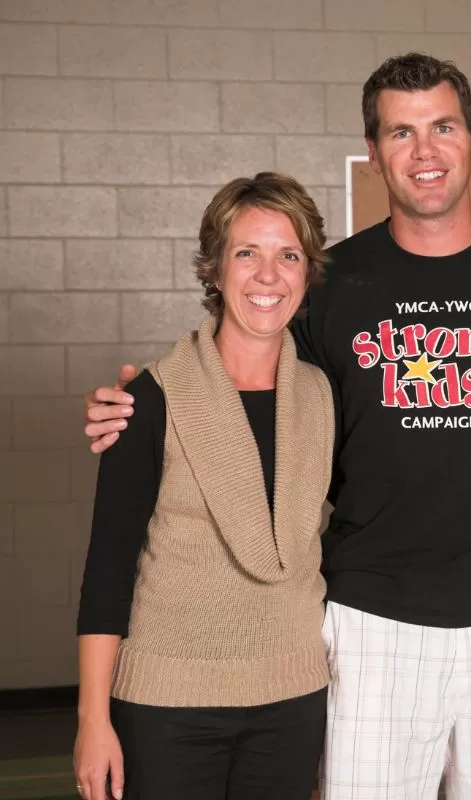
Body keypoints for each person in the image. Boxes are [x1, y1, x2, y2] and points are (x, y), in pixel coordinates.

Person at [82, 53, 471, 800]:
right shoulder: (329, 284)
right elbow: (242, 373)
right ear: (375, 154)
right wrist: (139, 399)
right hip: (372, 618)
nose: (424, 150)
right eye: (400, 133)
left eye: (442, 127)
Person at [73, 172, 333, 800]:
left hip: (293, 700)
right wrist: (91, 719)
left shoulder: (323, 396)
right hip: (168, 708)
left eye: (288, 255)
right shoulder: (150, 400)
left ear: (306, 272)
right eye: (247, 253)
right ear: (215, 270)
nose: (268, 275)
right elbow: (108, 569)